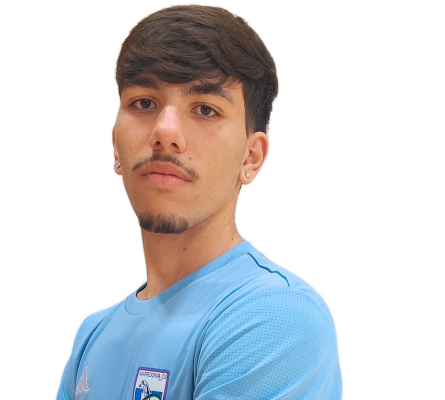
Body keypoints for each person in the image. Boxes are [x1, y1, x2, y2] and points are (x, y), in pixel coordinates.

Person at [57, 5, 341, 400]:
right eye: (144, 103)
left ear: (250, 157)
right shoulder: (93, 337)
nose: (165, 132)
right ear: (115, 145)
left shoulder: (276, 315)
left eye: (205, 109)